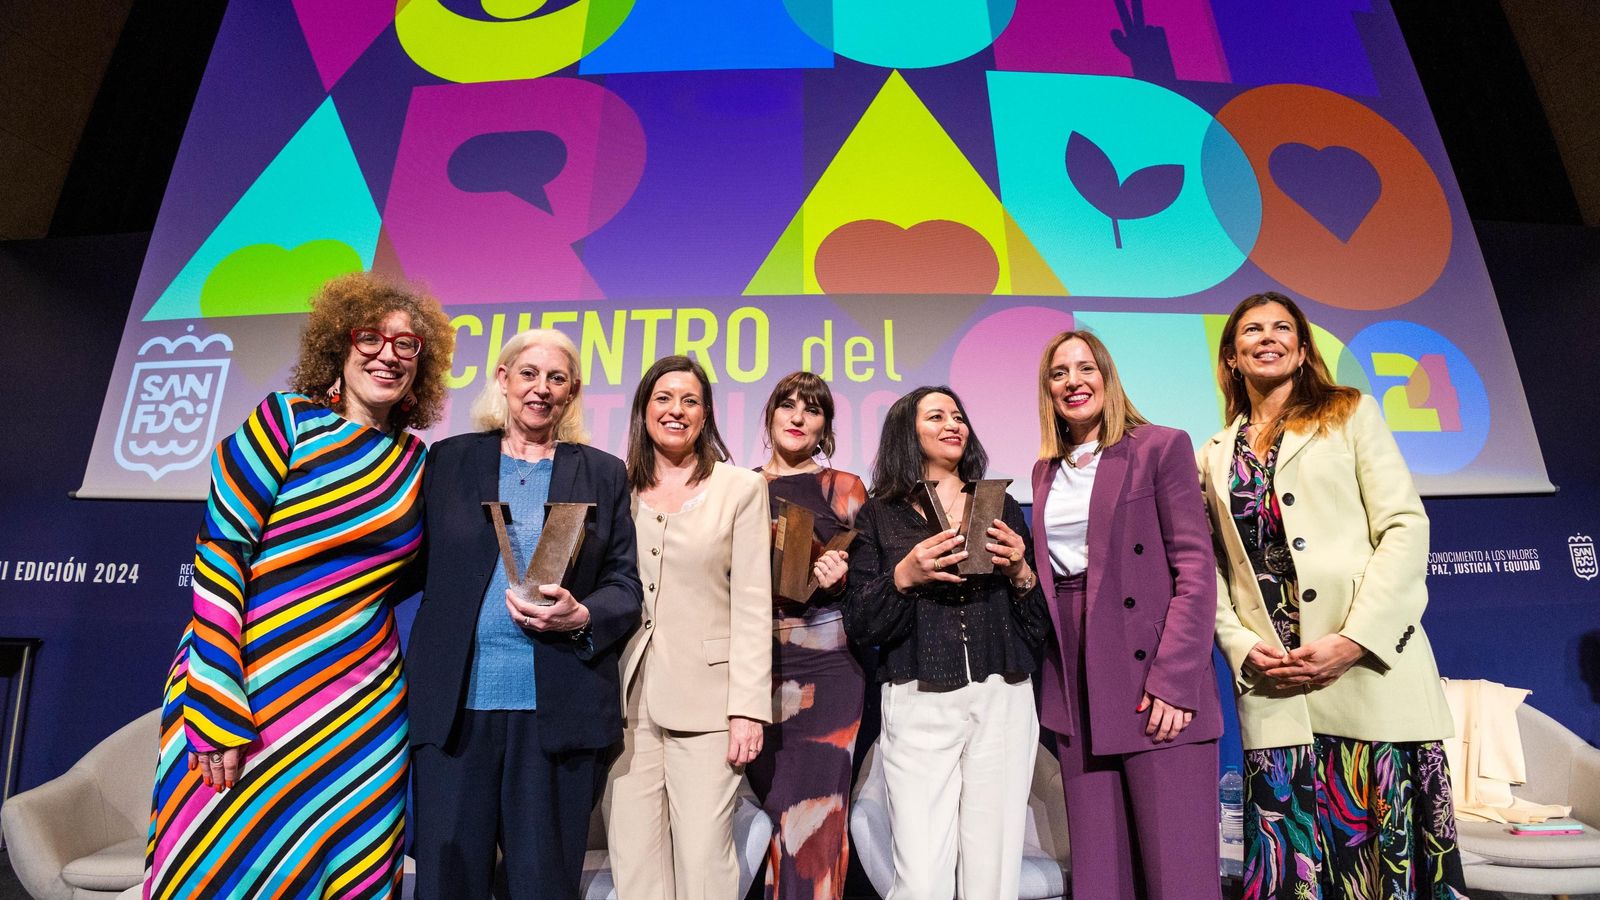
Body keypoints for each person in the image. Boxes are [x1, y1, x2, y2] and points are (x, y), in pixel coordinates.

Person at [144, 273, 453, 899]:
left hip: (361, 706)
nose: (389, 353)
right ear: (339, 347)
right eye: (372, 337)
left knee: (350, 865)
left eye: (407, 345)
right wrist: (214, 705)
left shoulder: (420, 464)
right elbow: (219, 559)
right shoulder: (282, 422)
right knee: (217, 865)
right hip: (248, 686)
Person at [1200, 292, 1466, 899]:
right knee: (1292, 870)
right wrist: (1239, 646)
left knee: (1378, 864)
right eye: (1251, 330)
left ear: (1300, 350)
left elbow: (1403, 525)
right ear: (1232, 356)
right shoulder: (1212, 455)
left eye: (1282, 328)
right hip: (1277, 686)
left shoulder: (1351, 413)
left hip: (1367, 674)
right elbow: (1209, 566)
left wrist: (1354, 640)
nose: (1267, 337)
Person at [404, 328, 642, 899]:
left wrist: (582, 615)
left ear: (572, 392)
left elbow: (626, 584)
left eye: (556, 378)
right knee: (447, 880)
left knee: (542, 885)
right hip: (456, 713)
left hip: (556, 716)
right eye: (528, 374)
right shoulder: (450, 459)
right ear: (503, 380)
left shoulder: (602, 472)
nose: (541, 389)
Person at [1029, 331, 1222, 900]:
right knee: (1100, 877)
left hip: (1150, 678)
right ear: (1049, 392)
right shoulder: (1044, 471)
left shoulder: (1159, 446)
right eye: (1059, 373)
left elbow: (1194, 568)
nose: (1073, 381)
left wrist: (1175, 680)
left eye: (1085, 367)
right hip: (1077, 683)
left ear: (1107, 377)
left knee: (1178, 876)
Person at [843, 385, 1049, 900]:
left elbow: (1038, 627)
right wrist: (904, 576)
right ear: (906, 434)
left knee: (993, 870)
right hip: (918, 698)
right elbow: (862, 623)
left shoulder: (998, 504)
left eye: (958, 415)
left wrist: (1022, 570)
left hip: (1003, 694)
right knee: (920, 872)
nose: (953, 423)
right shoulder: (880, 515)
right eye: (936, 416)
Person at [606, 355, 772, 900]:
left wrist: (747, 707)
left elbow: (752, 603)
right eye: (663, 398)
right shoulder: (616, 487)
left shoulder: (740, 488)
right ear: (643, 409)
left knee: (703, 861)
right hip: (626, 701)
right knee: (634, 863)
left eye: (690, 400)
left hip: (710, 704)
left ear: (706, 415)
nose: (675, 410)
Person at [744, 371, 868, 900]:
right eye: (788, 406)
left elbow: (874, 583)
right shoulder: (738, 487)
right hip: (755, 666)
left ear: (826, 427)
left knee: (816, 820)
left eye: (812, 410)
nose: (798, 417)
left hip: (829, 670)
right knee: (773, 813)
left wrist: (842, 581)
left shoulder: (843, 488)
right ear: (769, 416)